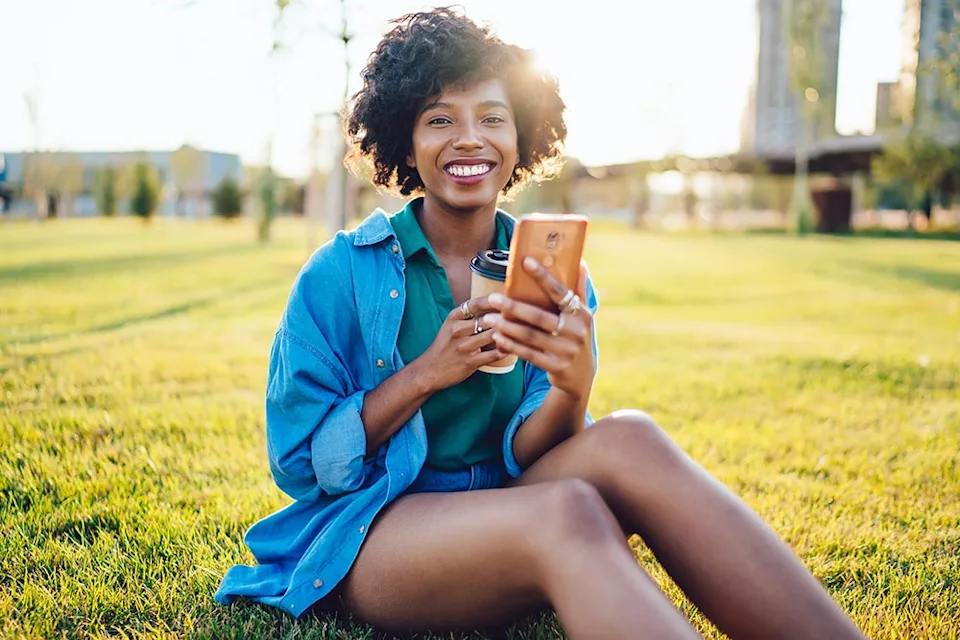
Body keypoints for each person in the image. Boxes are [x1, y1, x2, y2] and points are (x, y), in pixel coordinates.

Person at [217, 8, 865, 639]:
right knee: (568, 511)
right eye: (440, 119)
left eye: (492, 118)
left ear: (522, 137)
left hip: (506, 507)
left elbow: (531, 453)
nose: (470, 138)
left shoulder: (554, 273)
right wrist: (426, 375)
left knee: (630, 436)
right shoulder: (339, 274)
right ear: (406, 142)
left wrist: (571, 387)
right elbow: (304, 465)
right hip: (382, 533)